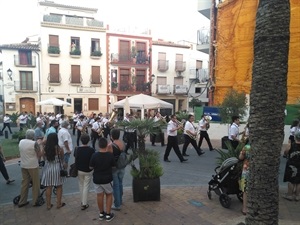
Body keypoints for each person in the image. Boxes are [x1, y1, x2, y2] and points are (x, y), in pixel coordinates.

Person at [89, 138, 116, 222]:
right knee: (109, 194)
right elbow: (114, 166)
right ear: (106, 145)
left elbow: (90, 167)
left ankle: (101, 213)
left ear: (98, 145)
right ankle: (108, 214)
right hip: (107, 179)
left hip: (97, 178)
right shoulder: (110, 155)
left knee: (99, 195)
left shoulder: (94, 155)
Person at [41, 133, 66, 210]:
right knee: (59, 186)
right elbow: (62, 158)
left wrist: (42, 144)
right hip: (57, 168)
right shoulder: (59, 148)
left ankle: (48, 204)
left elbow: (42, 156)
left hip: (48, 168)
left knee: (48, 187)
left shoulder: (45, 148)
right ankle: (58, 203)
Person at [18, 129, 43, 207]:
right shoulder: (34, 143)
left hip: (23, 164)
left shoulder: (21, 141)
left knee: (25, 183)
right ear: (33, 136)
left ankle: (22, 201)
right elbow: (39, 154)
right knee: (36, 183)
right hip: (33, 165)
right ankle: (35, 201)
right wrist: (40, 145)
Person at [75, 133, 95, 210]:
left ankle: (82, 200)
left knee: (81, 185)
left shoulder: (78, 149)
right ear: (89, 140)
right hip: (88, 170)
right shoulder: (91, 150)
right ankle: (84, 203)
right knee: (86, 186)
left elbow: (76, 158)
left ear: (81, 140)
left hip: (79, 169)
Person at [107, 129, 125, 210]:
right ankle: (120, 200)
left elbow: (109, 156)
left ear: (112, 136)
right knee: (120, 183)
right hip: (122, 166)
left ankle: (117, 204)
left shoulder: (110, 145)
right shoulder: (122, 143)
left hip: (114, 167)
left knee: (116, 185)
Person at [282, 130, 300, 201]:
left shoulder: (291, 144)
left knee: (291, 180)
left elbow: (286, 152)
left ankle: (290, 195)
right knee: (299, 181)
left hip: (292, 164)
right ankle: (297, 196)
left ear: (296, 137)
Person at [239, 139, 251, 215]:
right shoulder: (260, 147)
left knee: (245, 190)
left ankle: (244, 208)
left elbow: (240, 157)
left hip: (246, 170)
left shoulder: (246, 147)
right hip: (256, 171)